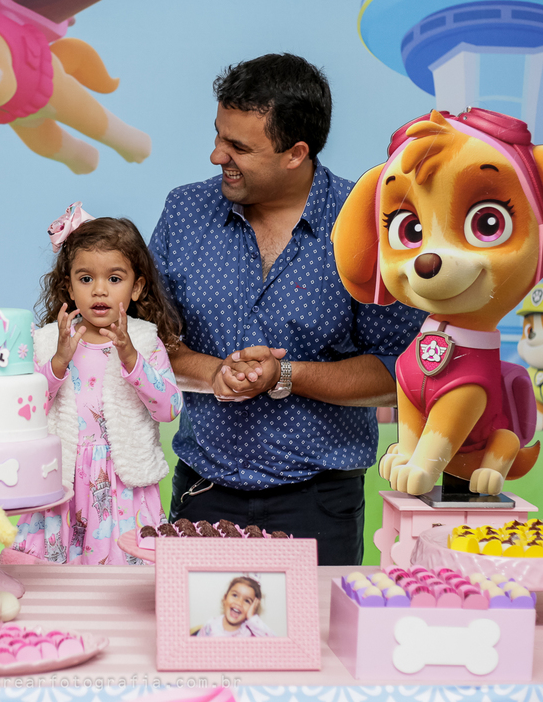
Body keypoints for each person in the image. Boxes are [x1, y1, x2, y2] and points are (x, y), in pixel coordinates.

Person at [149, 53, 425, 565]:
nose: (216, 155)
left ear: (296, 153)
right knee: (194, 622)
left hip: (320, 502)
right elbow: (149, 342)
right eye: (218, 136)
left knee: (314, 623)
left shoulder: (368, 227)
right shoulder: (184, 211)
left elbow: (401, 372)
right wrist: (217, 373)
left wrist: (286, 376)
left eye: (239, 147)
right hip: (202, 494)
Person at [7, 206, 183, 565]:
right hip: (62, 484)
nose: (99, 289)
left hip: (122, 486)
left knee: (120, 575)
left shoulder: (145, 341)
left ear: (137, 287)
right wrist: (58, 361)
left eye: (114, 279)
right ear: (68, 287)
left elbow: (169, 409)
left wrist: (131, 358)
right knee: (52, 581)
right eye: (86, 278)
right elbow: (25, 412)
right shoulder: (47, 342)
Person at [195, 576, 274, 637]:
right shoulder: (210, 625)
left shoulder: (250, 632)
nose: (239, 603)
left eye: (247, 601)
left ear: (252, 609)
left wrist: (252, 618)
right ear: (225, 598)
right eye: (235, 595)